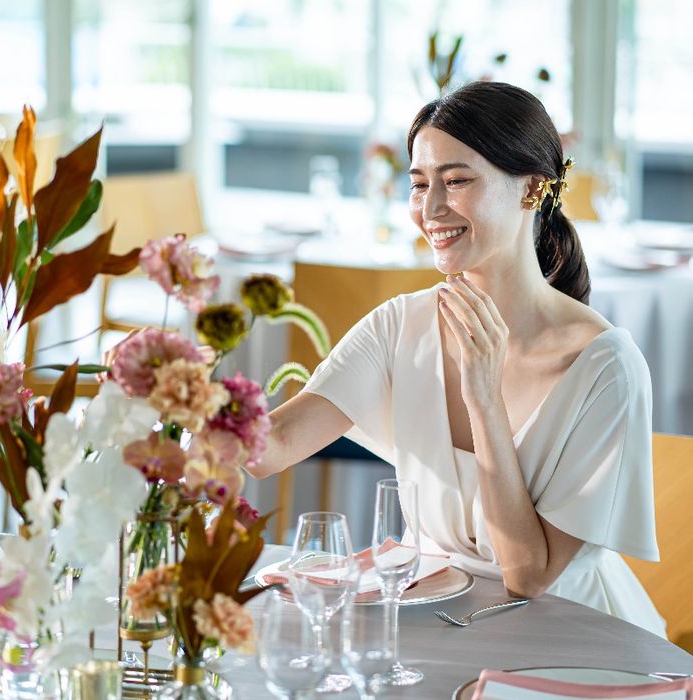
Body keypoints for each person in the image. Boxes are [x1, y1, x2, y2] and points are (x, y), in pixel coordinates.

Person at [246, 82, 666, 638]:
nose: (431, 209)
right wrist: (177, 390)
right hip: (428, 621)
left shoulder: (605, 367)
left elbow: (527, 576)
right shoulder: (399, 325)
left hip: (565, 639)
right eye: (420, 184)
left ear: (532, 188)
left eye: (457, 181)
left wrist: (484, 398)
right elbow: (270, 448)